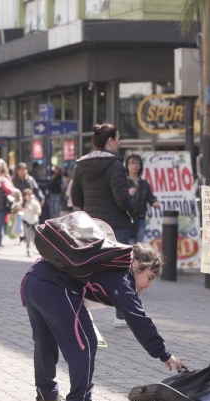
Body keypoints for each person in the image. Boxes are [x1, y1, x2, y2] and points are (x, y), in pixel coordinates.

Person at [21, 242, 185, 401]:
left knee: (45, 343)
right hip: (55, 288)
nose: (149, 285)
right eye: (150, 277)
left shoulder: (112, 264)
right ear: (138, 266)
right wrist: (164, 354)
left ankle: (47, 398)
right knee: (85, 343)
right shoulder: (121, 276)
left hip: (32, 280)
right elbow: (138, 318)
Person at [71, 123, 136, 328]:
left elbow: (75, 196)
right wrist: (134, 208)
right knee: (121, 270)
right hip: (116, 225)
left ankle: (83, 314)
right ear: (110, 141)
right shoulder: (115, 165)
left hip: (91, 225)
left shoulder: (81, 164)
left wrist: (89, 212)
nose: (119, 142)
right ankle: (121, 316)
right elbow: (122, 199)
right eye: (118, 138)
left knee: (91, 269)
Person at [125, 154, 160, 244]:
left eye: (137, 163)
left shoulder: (144, 183)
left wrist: (155, 202)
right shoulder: (124, 182)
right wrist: (128, 193)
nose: (135, 165)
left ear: (140, 166)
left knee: (139, 245)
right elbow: (119, 197)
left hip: (141, 218)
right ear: (127, 166)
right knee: (129, 244)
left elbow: (150, 197)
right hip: (127, 218)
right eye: (132, 163)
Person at [18, 188, 41, 257]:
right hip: (26, 223)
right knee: (28, 237)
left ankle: (34, 250)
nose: (27, 197)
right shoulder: (23, 203)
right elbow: (16, 208)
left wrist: (32, 210)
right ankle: (29, 250)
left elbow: (39, 213)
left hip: (34, 222)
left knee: (35, 238)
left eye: (28, 195)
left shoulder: (35, 203)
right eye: (25, 195)